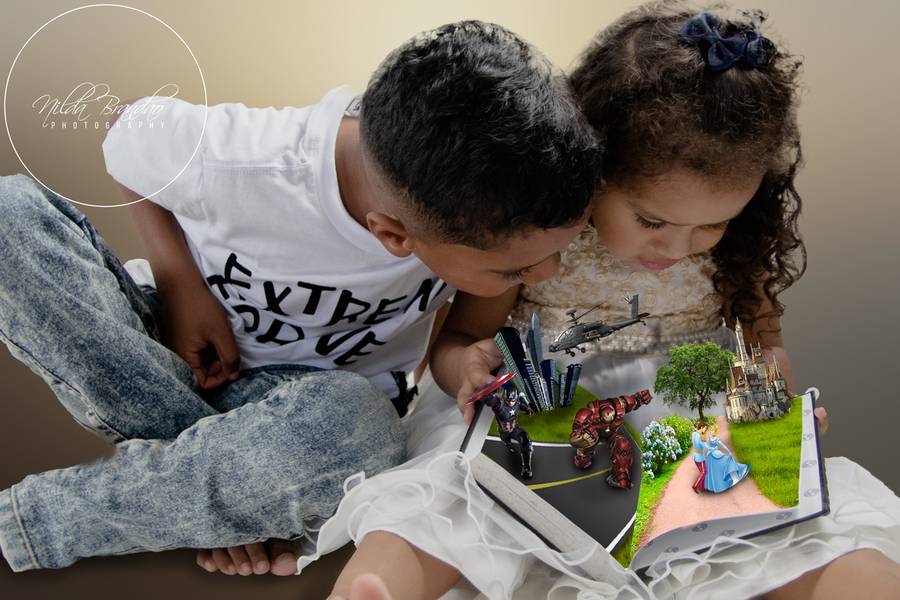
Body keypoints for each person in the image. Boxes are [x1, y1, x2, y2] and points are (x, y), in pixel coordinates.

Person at [316, 3, 900, 600]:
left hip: (690, 423)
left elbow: (764, 346)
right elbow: (457, 343)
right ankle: (382, 585)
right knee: (453, 497)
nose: (678, 246)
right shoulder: (536, 240)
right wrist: (465, 367)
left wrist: (769, 412)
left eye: (712, 225)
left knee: (805, 535)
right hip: (544, 411)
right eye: (652, 220)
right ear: (596, 170)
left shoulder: (736, 256)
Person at [0, 20, 600, 573]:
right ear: (392, 234)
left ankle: (41, 522)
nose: (543, 275)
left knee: (362, 431)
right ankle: (216, 493)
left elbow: (460, 339)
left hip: (321, 418)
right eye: (516, 268)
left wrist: (463, 363)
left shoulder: (496, 215)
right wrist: (181, 283)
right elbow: (126, 127)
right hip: (164, 362)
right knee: (9, 214)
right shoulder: (243, 158)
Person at [703, 423, 750, 493]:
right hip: (711, 456)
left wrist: (728, 451)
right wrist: (707, 453)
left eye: (712, 430)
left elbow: (722, 445)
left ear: (715, 431)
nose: (711, 431)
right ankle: (716, 486)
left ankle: (735, 476)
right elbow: (707, 447)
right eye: (711, 430)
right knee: (714, 471)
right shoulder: (709, 438)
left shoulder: (716, 438)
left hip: (717, 454)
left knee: (725, 463)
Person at [691, 421, 710, 494]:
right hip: (699, 457)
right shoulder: (700, 436)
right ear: (701, 427)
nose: (705, 430)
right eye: (705, 428)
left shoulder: (694, 434)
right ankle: (695, 485)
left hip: (695, 456)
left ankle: (701, 487)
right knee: (703, 472)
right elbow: (704, 445)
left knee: (702, 472)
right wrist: (712, 448)